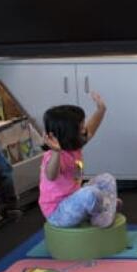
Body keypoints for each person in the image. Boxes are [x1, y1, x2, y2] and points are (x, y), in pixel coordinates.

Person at [41, 92, 120, 229]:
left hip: (75, 199)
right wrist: (56, 152)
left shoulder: (74, 146)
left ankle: (104, 205)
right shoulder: (52, 155)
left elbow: (92, 128)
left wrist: (101, 109)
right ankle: (102, 211)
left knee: (107, 179)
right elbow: (51, 175)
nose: (84, 129)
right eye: (81, 126)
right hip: (59, 213)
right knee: (90, 194)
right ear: (69, 131)